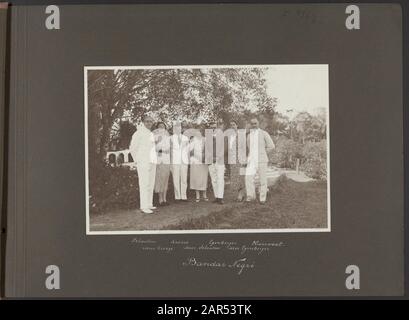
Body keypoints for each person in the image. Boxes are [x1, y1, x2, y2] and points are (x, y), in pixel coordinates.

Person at [129, 116, 157, 214]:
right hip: (143, 162)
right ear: (143, 122)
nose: (149, 123)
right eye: (147, 121)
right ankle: (144, 206)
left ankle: (149, 203)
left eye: (150, 121)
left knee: (150, 183)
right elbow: (132, 148)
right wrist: (138, 160)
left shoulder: (151, 134)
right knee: (144, 184)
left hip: (152, 161)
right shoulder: (138, 133)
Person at [245, 118, 275, 204]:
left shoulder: (264, 133)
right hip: (251, 160)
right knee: (248, 178)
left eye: (255, 123)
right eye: (252, 123)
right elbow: (249, 147)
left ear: (258, 124)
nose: (253, 125)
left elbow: (272, 146)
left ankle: (262, 199)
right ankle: (251, 197)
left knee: (263, 180)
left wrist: (263, 153)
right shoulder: (249, 135)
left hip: (261, 160)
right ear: (250, 125)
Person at [206, 120, 228, 205]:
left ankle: (220, 197)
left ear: (217, 127)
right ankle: (216, 197)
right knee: (214, 179)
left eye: (214, 127)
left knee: (220, 179)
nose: (213, 129)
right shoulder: (207, 137)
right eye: (211, 127)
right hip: (210, 161)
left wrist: (217, 157)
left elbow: (225, 149)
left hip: (220, 161)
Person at [227, 120, 247, 202]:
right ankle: (240, 193)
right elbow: (229, 149)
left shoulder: (241, 135)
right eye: (231, 125)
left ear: (237, 125)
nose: (232, 126)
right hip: (233, 159)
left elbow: (245, 148)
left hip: (241, 158)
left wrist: (245, 160)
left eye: (234, 124)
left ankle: (241, 194)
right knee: (235, 177)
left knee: (241, 176)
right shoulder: (230, 136)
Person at [170, 121, 190, 202]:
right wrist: (170, 163)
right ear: (173, 129)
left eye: (179, 127)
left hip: (184, 161)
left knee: (184, 179)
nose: (178, 128)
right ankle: (177, 197)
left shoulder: (186, 138)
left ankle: (184, 196)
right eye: (176, 127)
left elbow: (188, 150)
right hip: (175, 161)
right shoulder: (170, 138)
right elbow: (170, 151)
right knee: (176, 179)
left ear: (181, 128)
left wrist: (188, 161)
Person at [189, 127, 209, 202]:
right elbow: (190, 151)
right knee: (196, 178)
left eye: (199, 132)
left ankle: (204, 194)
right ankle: (197, 195)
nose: (198, 133)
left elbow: (208, 150)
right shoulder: (192, 140)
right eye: (196, 132)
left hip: (203, 161)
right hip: (195, 161)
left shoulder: (205, 139)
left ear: (201, 132)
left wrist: (204, 157)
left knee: (204, 178)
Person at [153, 122, 171, 206]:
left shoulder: (167, 137)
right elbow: (154, 148)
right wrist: (157, 143)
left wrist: (165, 150)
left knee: (165, 179)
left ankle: (165, 199)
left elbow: (169, 148)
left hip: (166, 160)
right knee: (159, 178)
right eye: (159, 126)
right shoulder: (154, 136)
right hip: (159, 159)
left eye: (163, 127)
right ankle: (160, 199)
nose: (161, 128)